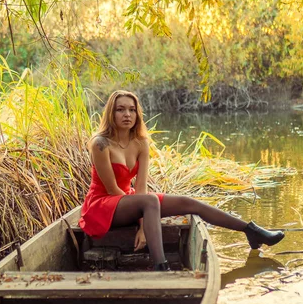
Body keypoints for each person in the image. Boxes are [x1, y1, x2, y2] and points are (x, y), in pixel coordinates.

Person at [79, 90, 285, 270]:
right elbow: (113, 189)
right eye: (120, 109)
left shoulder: (140, 143)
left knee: (189, 203)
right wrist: (142, 221)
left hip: (131, 201)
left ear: (137, 114)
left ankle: (251, 231)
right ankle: (161, 266)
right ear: (111, 113)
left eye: (132, 110)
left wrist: (142, 225)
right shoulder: (100, 143)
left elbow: (140, 187)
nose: (127, 114)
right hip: (103, 204)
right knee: (150, 201)